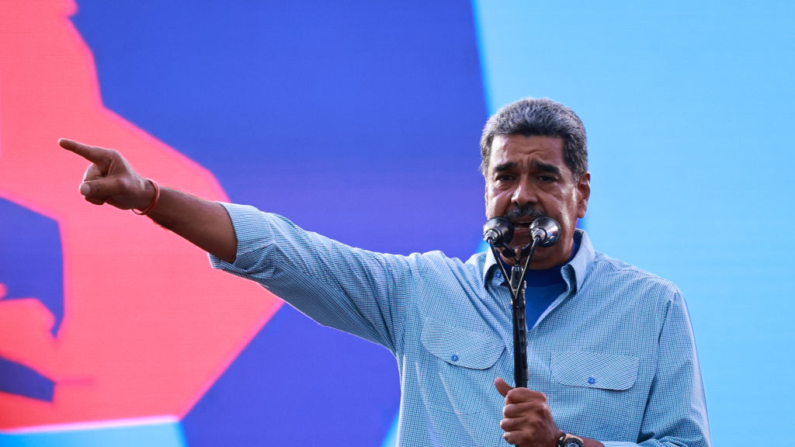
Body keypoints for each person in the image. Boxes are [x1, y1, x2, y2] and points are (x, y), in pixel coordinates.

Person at [60, 98, 710, 447]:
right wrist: (150, 197)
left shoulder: (651, 306)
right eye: (503, 176)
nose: (520, 194)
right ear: (483, 189)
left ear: (582, 192)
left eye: (544, 175)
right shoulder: (420, 290)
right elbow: (285, 251)